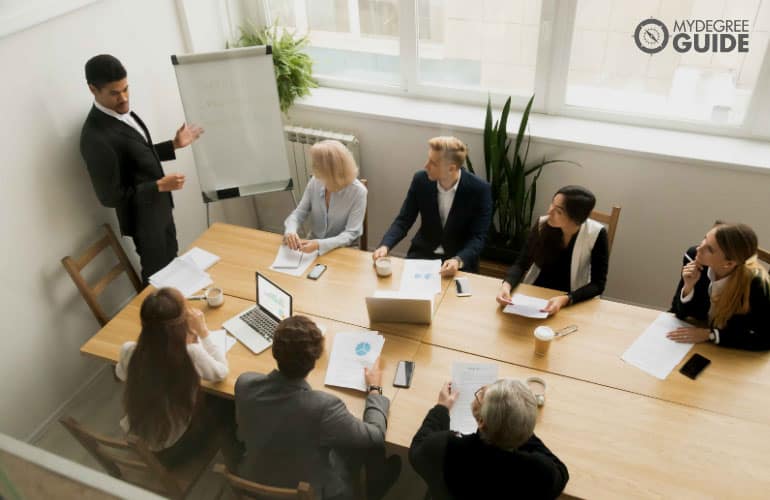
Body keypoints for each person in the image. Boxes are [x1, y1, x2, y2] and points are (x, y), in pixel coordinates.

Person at [235, 315, 400, 500]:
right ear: (315, 360)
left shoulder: (244, 383)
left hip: (255, 477)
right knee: (366, 447)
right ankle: (376, 488)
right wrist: (375, 390)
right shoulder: (324, 407)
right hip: (314, 491)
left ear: (274, 351)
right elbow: (375, 435)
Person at [80, 54, 203, 284]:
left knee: (173, 268)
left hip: (161, 209)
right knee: (158, 279)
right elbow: (109, 196)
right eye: (115, 93)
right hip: (143, 221)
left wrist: (174, 145)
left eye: (126, 89)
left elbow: (136, 156)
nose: (124, 98)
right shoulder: (95, 137)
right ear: (93, 90)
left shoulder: (123, 111)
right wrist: (158, 185)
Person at [116, 287, 234, 466]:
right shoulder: (190, 354)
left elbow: (121, 374)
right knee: (228, 402)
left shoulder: (129, 350)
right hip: (174, 449)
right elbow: (221, 372)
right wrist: (203, 332)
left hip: (143, 434)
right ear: (181, 323)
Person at [409, 378, 569, 500]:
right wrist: (519, 426)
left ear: (481, 422)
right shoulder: (538, 472)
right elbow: (561, 472)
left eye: (481, 397)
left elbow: (416, 450)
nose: (481, 392)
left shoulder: (447, 446)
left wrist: (441, 408)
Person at [372, 136, 492, 276]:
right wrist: (385, 246)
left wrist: (458, 260)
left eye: (433, 163)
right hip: (422, 254)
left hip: (457, 260)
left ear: (451, 168)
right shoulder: (420, 180)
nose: (426, 166)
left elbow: (478, 237)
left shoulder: (480, 190)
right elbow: (403, 220)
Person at [496, 185, 608, 315]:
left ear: (576, 218)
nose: (549, 211)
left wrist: (566, 299)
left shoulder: (596, 234)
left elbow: (598, 284)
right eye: (552, 204)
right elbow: (521, 263)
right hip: (535, 293)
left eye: (558, 211)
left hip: (572, 297)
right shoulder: (542, 224)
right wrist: (506, 286)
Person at [668, 222, 770, 350]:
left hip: (727, 349)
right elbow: (678, 312)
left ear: (728, 263)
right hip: (695, 338)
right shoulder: (693, 257)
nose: (700, 248)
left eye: (709, 249)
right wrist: (688, 287)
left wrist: (711, 335)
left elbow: (765, 338)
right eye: (705, 238)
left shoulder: (757, 285)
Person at [284, 140, 367, 255]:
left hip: (343, 250)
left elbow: (351, 234)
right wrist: (290, 231)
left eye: (317, 166)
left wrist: (319, 245)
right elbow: (298, 213)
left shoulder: (358, 192)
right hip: (312, 246)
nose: (313, 170)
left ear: (331, 171)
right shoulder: (315, 181)